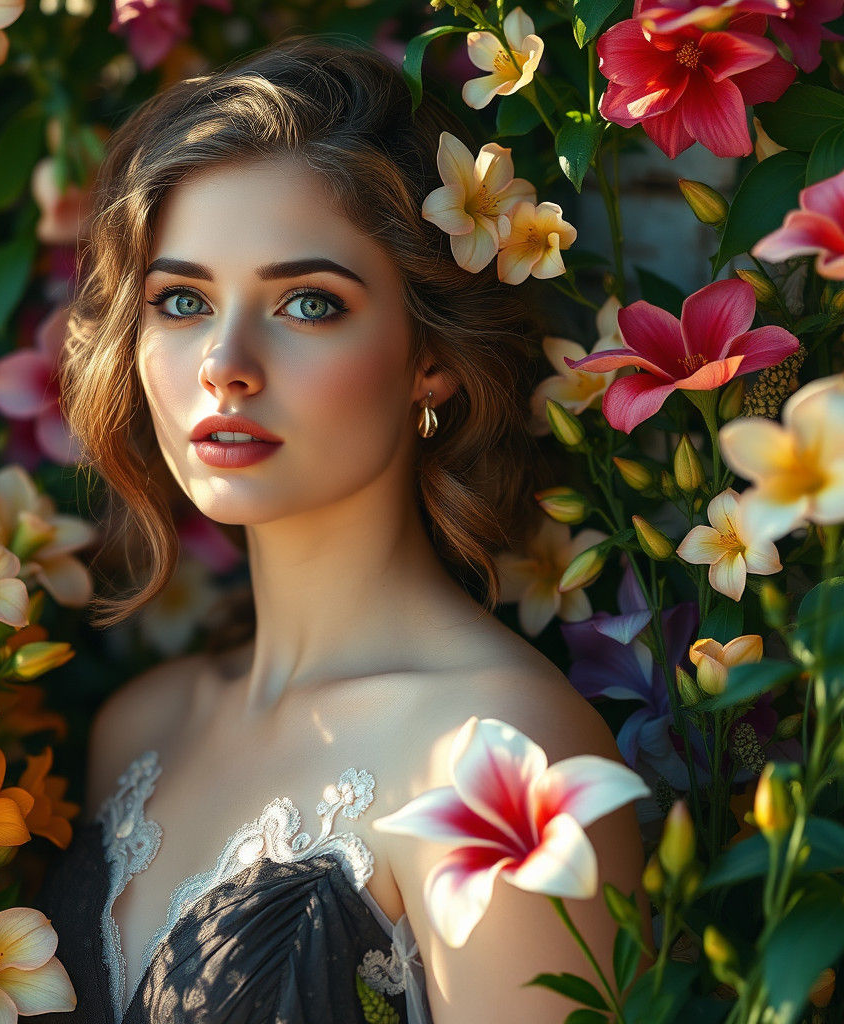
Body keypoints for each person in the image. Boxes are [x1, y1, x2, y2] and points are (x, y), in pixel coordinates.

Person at [36, 35, 644, 1024]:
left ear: (428, 359)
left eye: (307, 304)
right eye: (182, 301)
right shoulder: (138, 729)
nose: (224, 364)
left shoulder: (500, 754)